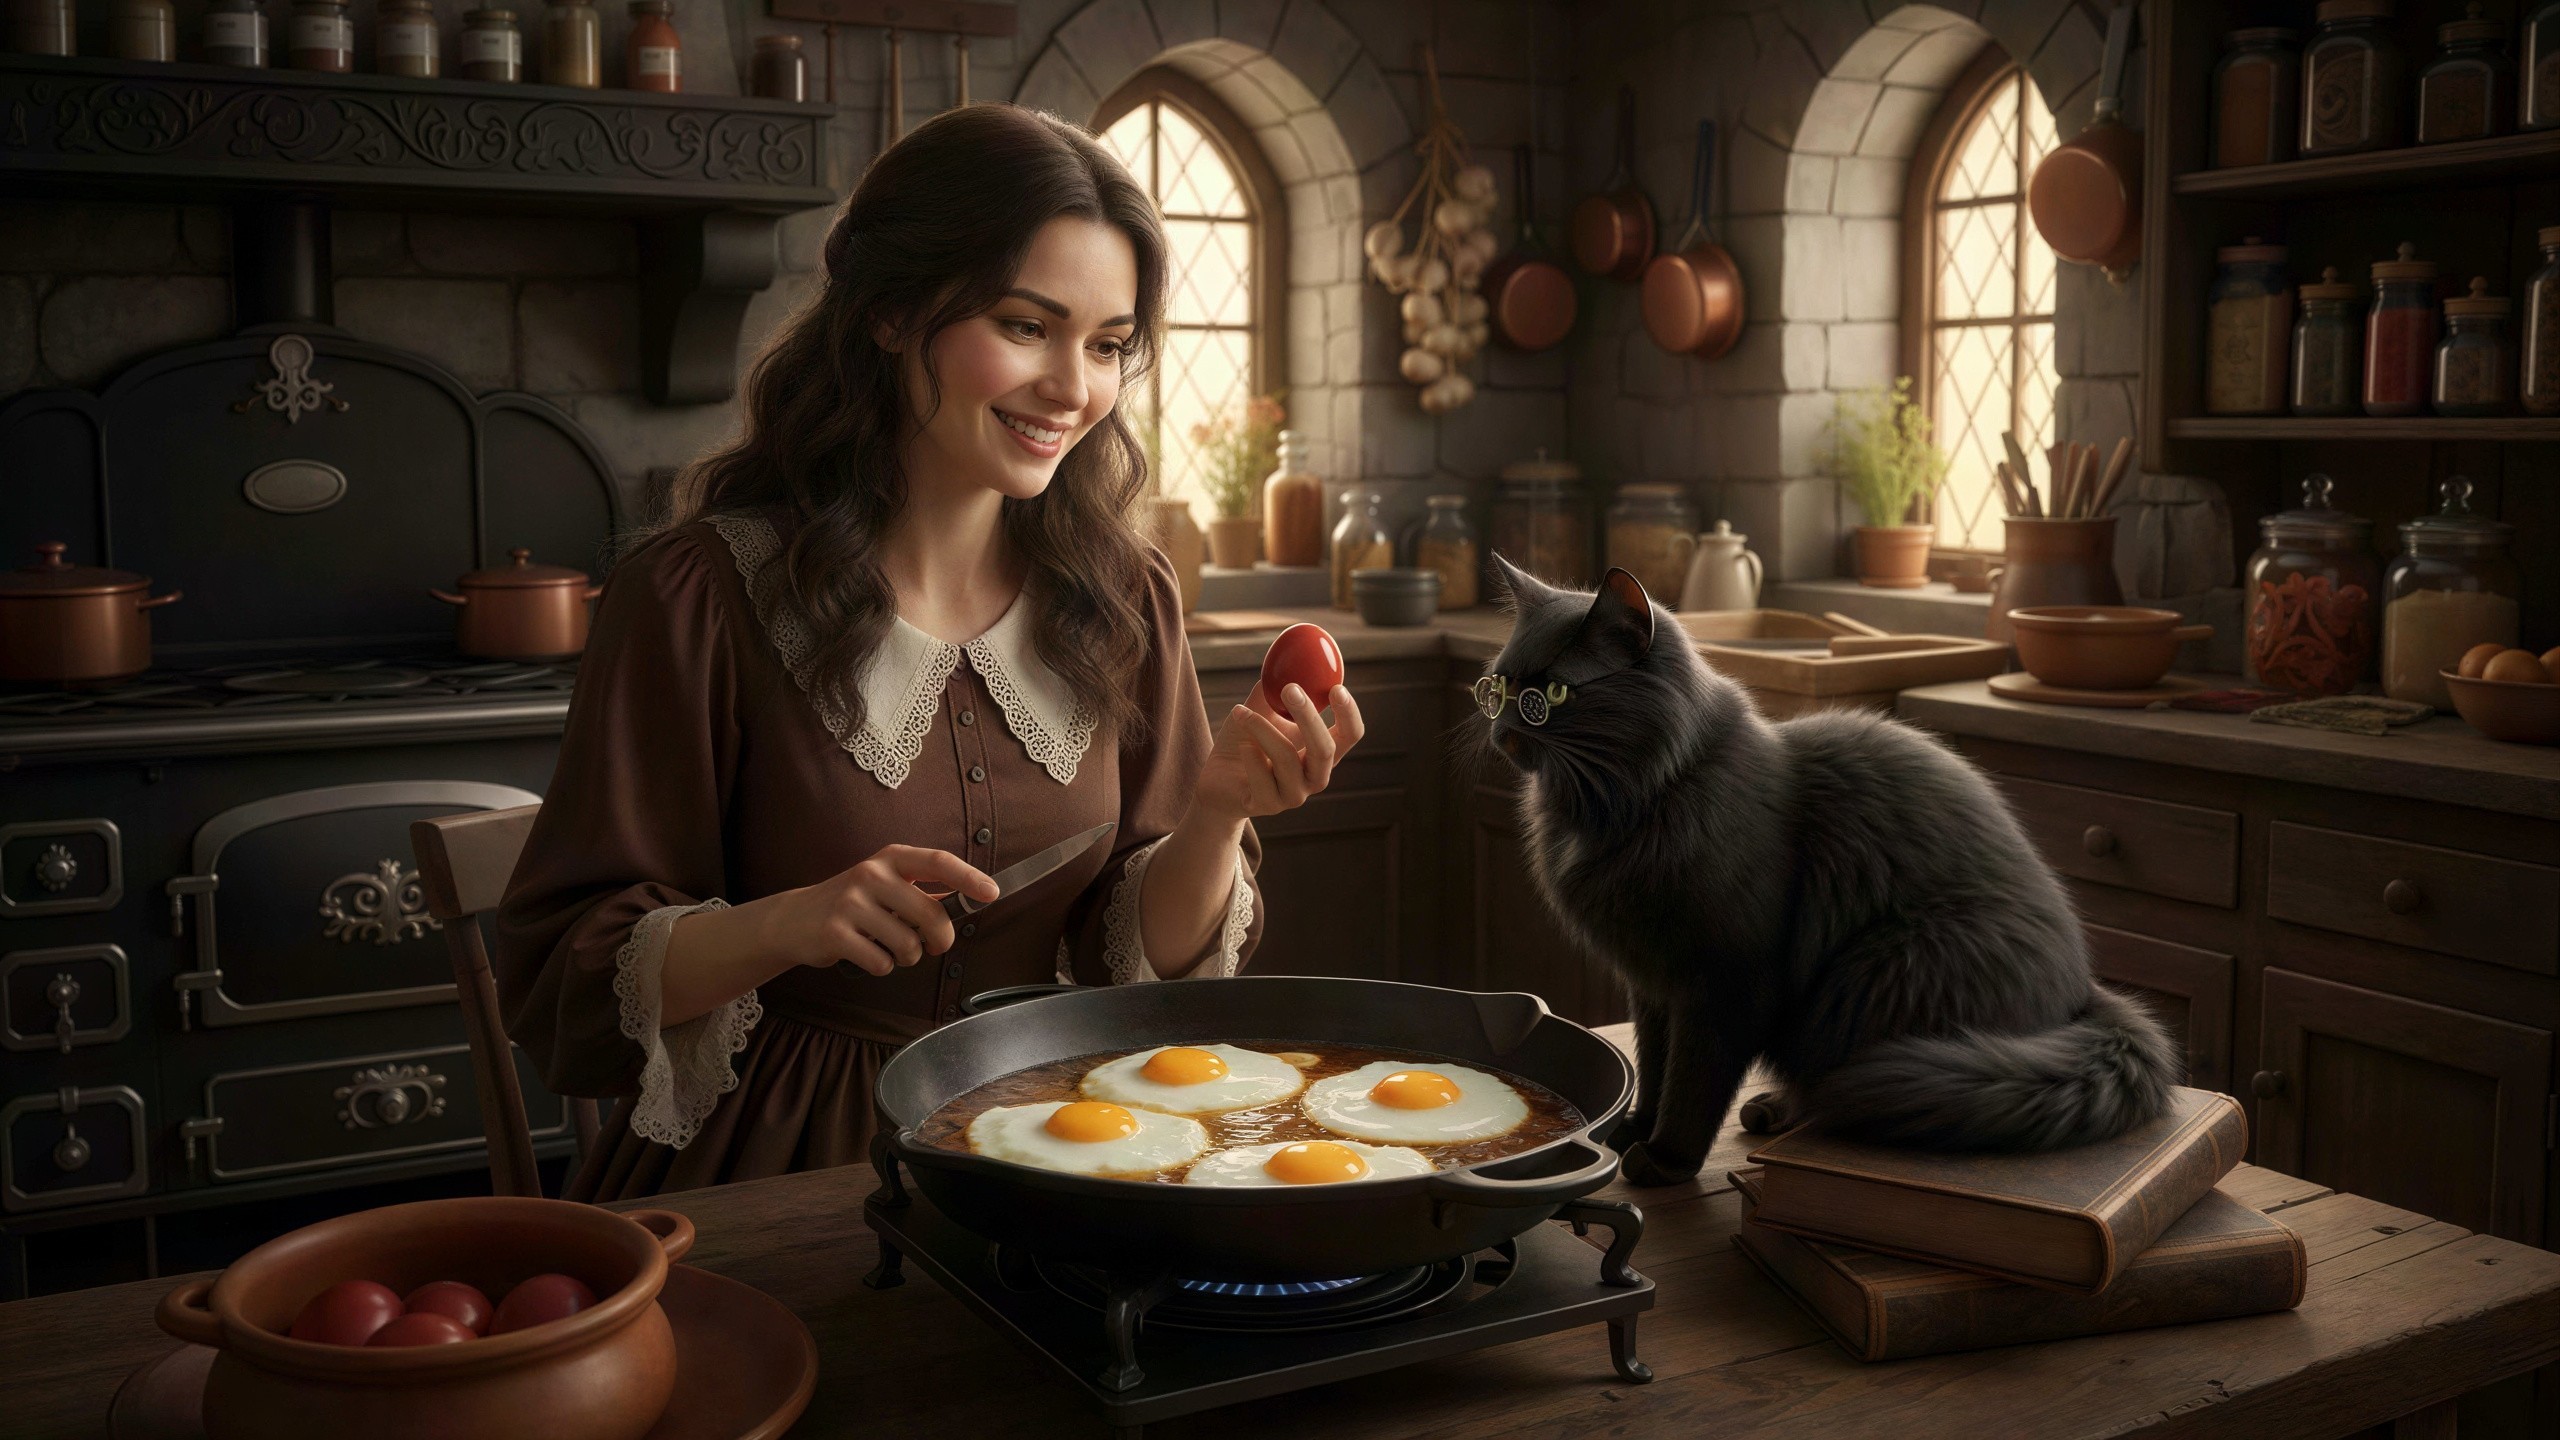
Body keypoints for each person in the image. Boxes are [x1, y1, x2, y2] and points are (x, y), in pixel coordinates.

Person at [495, 104, 1363, 1201]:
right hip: (778, 1161)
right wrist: (789, 924)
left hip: (1073, 1148)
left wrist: (1215, 815)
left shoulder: (1123, 595)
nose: (1072, 389)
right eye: (1024, 325)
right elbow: (560, 969)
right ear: (893, 313)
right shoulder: (696, 595)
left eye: (1105, 346)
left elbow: (1129, 963)